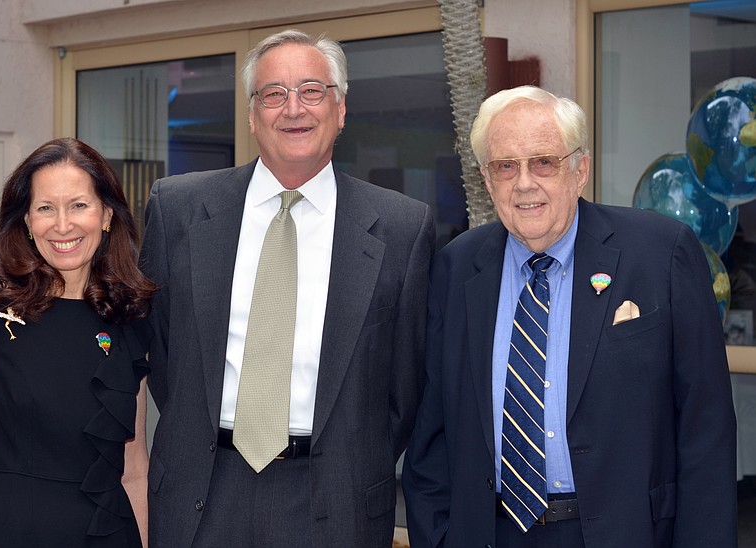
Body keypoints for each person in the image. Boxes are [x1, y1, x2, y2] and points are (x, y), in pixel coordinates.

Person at [402, 85, 737, 547]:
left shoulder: (661, 254)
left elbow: (707, 429)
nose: (524, 183)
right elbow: (432, 432)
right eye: (505, 166)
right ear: (486, 180)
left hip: (623, 533)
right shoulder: (456, 266)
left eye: (543, 162)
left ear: (580, 171)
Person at [140, 29, 434, 547]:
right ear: (253, 116)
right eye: (274, 94)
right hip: (203, 493)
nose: (293, 108)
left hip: (336, 503)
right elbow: (166, 358)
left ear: (340, 109)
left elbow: (404, 388)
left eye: (312, 91)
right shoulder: (178, 209)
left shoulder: (401, 227)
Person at [0, 138, 156, 547]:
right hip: (2, 531)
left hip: (105, 533)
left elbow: (133, 468)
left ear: (106, 215)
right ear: (27, 222)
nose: (62, 225)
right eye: (46, 208)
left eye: (79, 205)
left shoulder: (128, 318)